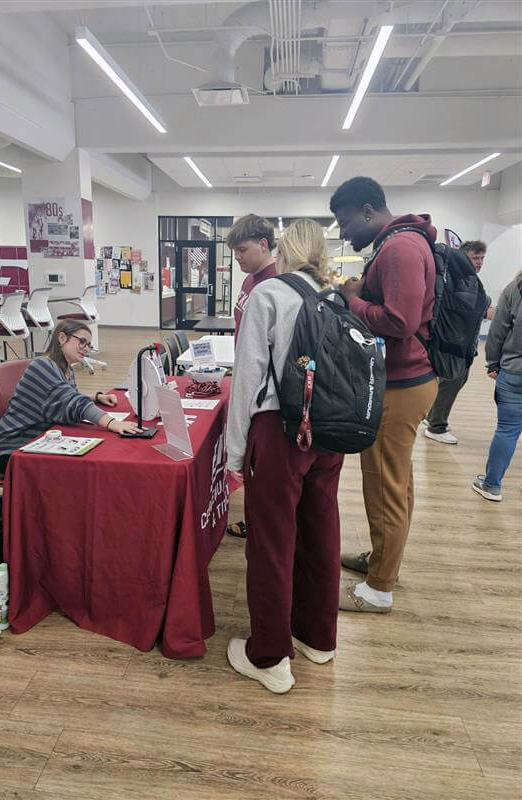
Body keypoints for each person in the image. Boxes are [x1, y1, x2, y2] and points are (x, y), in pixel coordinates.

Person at [225, 219, 344, 693]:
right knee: (321, 531)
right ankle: (318, 638)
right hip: (331, 433)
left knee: (272, 542)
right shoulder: (337, 299)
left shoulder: (269, 295)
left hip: (281, 431)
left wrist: (235, 453)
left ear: (283, 249)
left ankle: (270, 656)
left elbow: (248, 380)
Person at [332, 176, 438, 614]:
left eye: (345, 222)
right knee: (397, 483)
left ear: (369, 211)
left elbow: (399, 321)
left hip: (403, 383)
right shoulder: (400, 243)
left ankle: (379, 589)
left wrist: (352, 298)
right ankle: (383, 561)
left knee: (384, 485)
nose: (343, 233)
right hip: (406, 380)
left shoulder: (400, 249)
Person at [0, 320, 140, 474]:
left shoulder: (64, 368)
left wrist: (95, 397)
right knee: (78, 470)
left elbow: (64, 397)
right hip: (9, 450)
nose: (86, 349)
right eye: (82, 342)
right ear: (61, 338)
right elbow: (74, 403)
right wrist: (113, 423)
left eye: (88, 345)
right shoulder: (42, 366)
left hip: (35, 440)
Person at [225, 214, 277, 538]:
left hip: (261, 392)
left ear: (262, 244)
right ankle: (251, 517)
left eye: (242, 250)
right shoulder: (249, 281)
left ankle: (259, 523)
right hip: (244, 372)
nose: (237, 258)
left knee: (258, 465)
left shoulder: (273, 285)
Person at [425, 240, 494, 444]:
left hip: (462, 345)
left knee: (454, 381)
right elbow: (472, 307)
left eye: (482, 258)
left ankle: (434, 417)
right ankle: (436, 426)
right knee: (452, 381)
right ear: (464, 259)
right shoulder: (458, 281)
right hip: (453, 346)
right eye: (475, 258)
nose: (480, 262)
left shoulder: (466, 281)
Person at [472, 270, 522, 502]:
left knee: (507, 430)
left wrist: (493, 363)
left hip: (514, 370)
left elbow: (498, 330)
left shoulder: (515, 288)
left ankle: (492, 485)